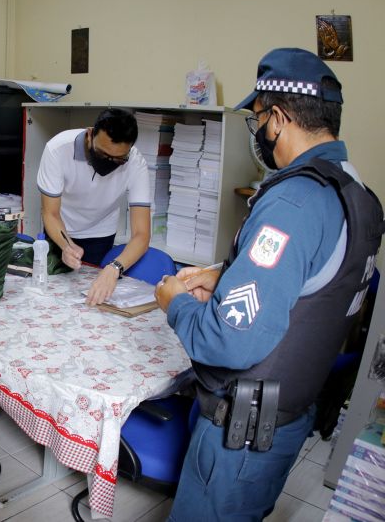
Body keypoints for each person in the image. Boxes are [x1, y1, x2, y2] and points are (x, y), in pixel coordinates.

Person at [154, 48, 384, 520]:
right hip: (286, 416)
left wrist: (175, 302)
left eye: (257, 117)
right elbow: (315, 286)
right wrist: (226, 275)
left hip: (240, 434)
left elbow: (227, 341)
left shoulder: (294, 202)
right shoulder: (356, 194)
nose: (257, 130)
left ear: (277, 118)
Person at [37, 108, 151, 306]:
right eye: (102, 153)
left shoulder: (135, 163)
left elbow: (142, 234)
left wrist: (114, 268)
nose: (108, 163)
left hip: (101, 233)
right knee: (54, 296)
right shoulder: (58, 149)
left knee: (93, 297)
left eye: (117, 160)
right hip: (61, 230)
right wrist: (66, 245)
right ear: (90, 134)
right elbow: (50, 213)